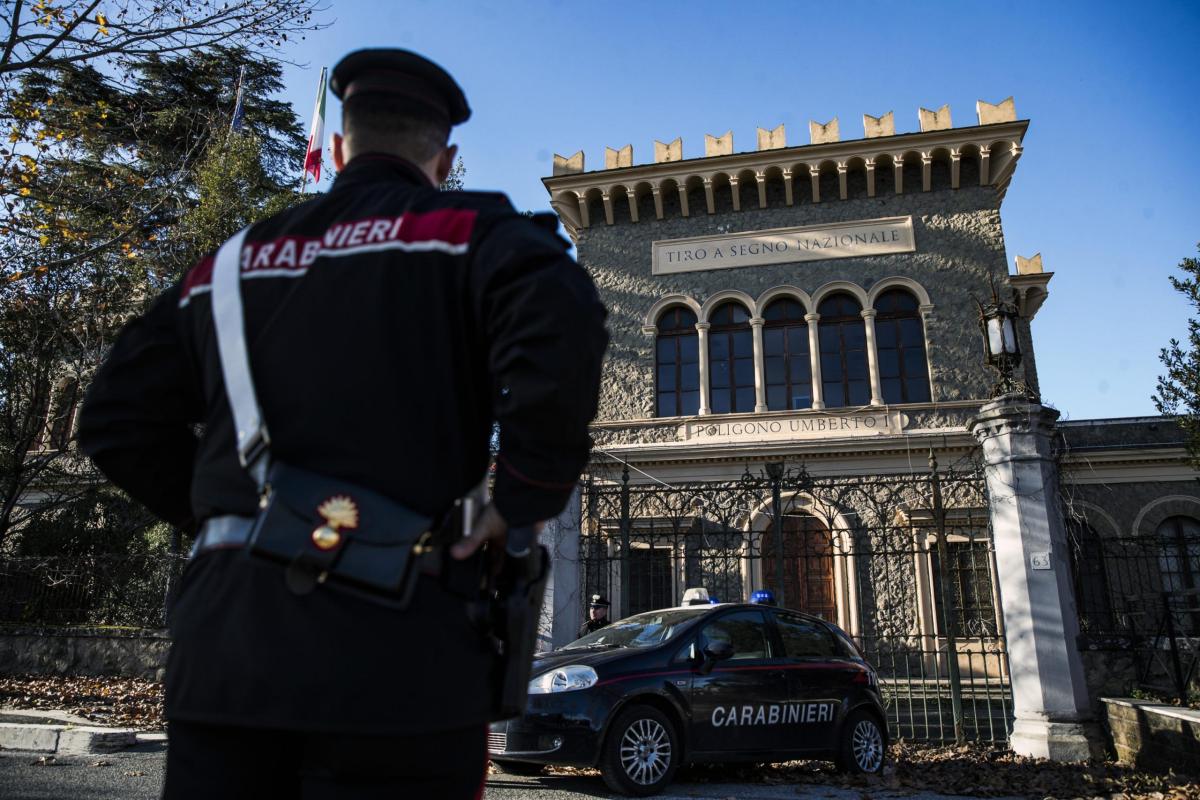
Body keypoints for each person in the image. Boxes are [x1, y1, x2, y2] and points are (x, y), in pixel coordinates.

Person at [77, 48, 607, 799]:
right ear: (444, 157)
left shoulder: (228, 266)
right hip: (404, 656)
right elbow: (564, 317)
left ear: (335, 148)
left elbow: (112, 419)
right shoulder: (475, 237)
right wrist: (520, 494)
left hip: (228, 652)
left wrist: (237, 517)